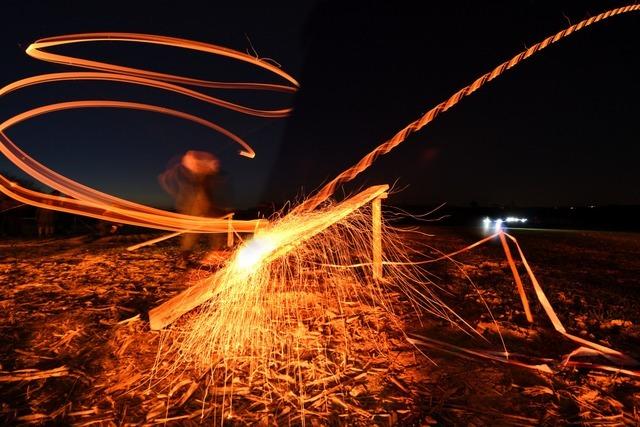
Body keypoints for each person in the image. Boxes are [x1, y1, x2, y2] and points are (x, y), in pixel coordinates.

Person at [159, 150, 223, 268]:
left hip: (199, 209)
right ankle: (184, 259)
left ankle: (186, 259)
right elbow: (201, 196)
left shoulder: (201, 181)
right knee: (196, 234)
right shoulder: (198, 181)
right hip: (197, 209)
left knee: (210, 232)